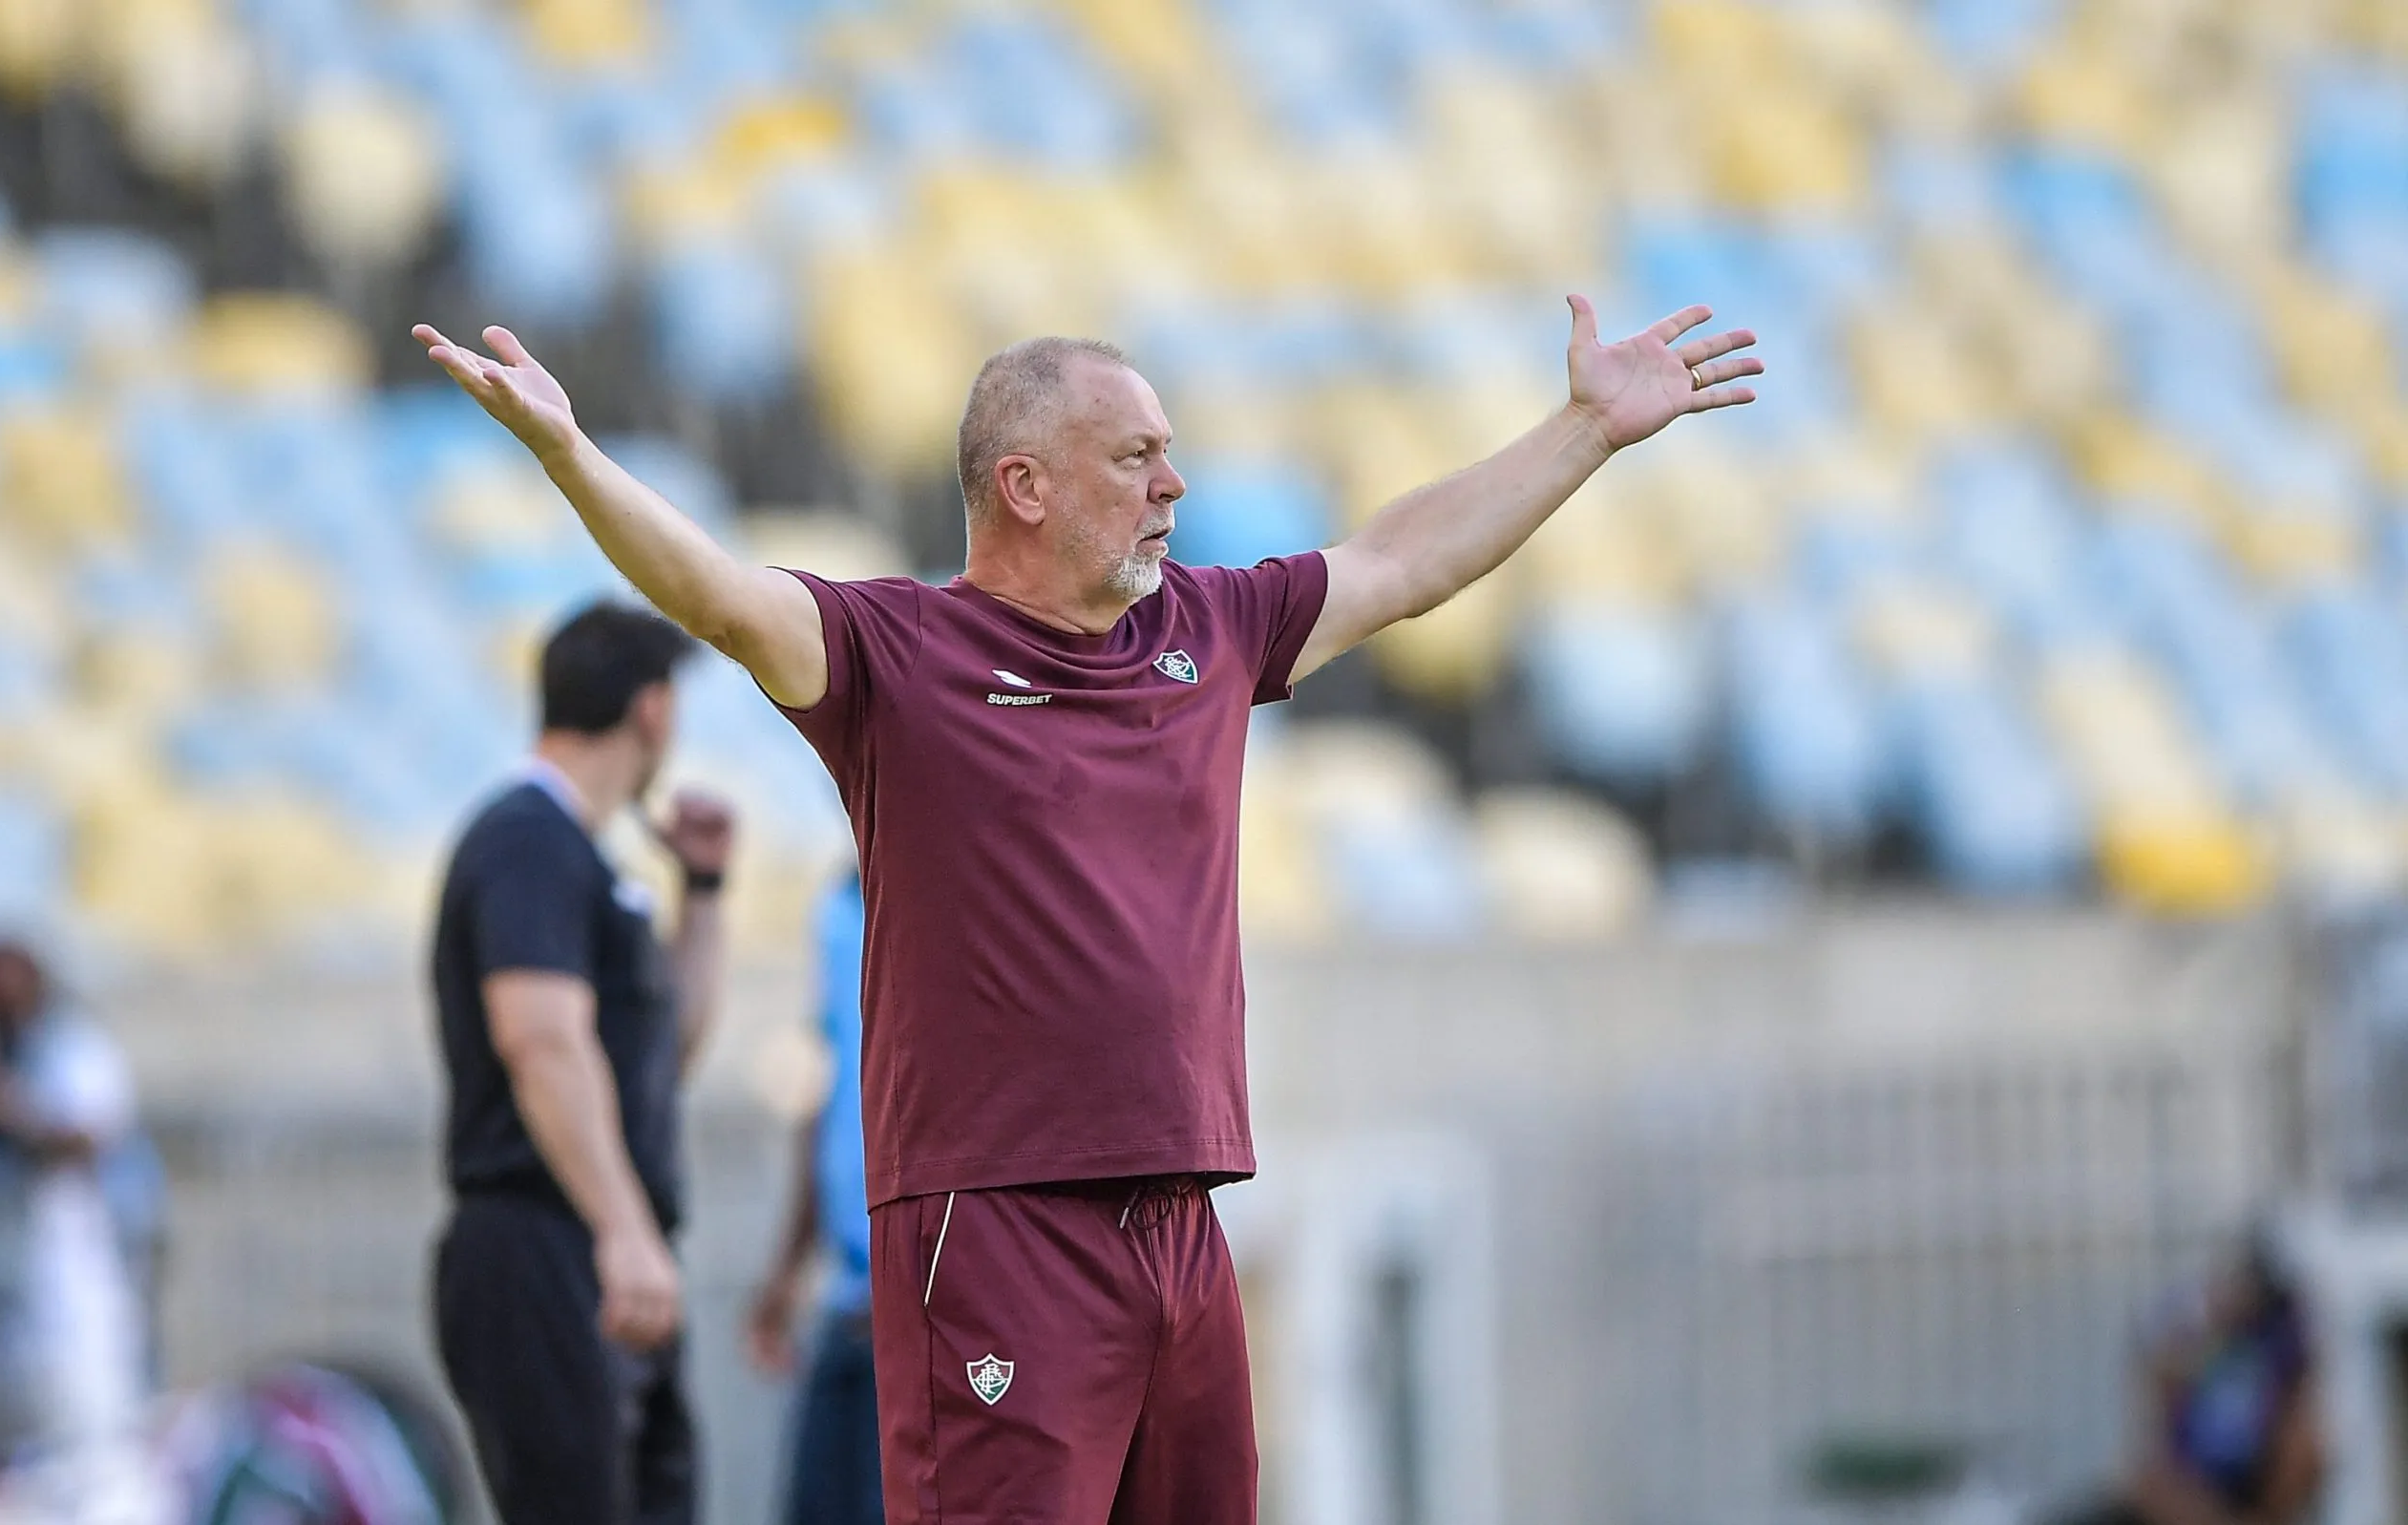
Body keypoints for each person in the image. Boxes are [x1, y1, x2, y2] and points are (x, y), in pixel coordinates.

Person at [413, 291, 1760, 1524]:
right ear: (1026, 485)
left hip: (1180, 1222)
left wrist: (1584, 430)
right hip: (995, 1225)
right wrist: (571, 458)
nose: (1174, 484)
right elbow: (714, 591)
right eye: (1135, 458)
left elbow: (1405, 562)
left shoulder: (1211, 629)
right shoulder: (897, 659)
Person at [427, 601, 736, 1525]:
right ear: (654, 710)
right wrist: (622, 1226)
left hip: (596, 1240)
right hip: (546, 1237)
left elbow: (658, 1053)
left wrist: (706, 895)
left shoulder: (585, 860)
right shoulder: (529, 840)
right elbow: (540, 1039)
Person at [0, 937, 147, 1484]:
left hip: (67, 1303)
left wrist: (13, 1114)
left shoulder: (76, 1052)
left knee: (91, 1466)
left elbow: (90, 1139)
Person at [746, 871, 884, 1525]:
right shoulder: (836, 905)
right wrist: (787, 1265)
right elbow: (825, 1094)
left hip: (926, 1307)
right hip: (847, 1302)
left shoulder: (964, 889)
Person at [2056, 1233, 2322, 1525]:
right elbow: (2151, 1462)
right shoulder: (2194, 1343)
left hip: (2244, 1491)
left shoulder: (2280, 1350)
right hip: (2189, 1490)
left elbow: (2301, 1453)